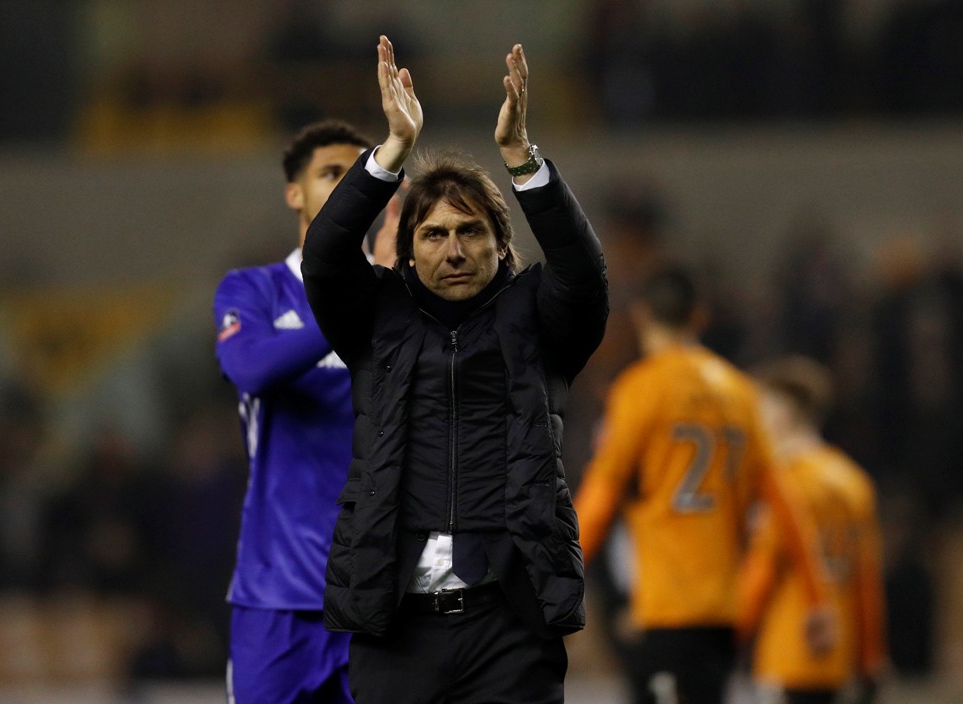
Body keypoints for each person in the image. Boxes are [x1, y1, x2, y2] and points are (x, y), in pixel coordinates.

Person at [300, 36, 608, 704]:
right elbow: (325, 258)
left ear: (502, 243)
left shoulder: (540, 320)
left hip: (510, 624)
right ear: (408, 253)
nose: (454, 249)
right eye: (434, 234)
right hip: (397, 625)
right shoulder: (376, 317)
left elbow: (585, 277)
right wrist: (390, 155)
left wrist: (524, 162)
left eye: (471, 232)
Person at [573, 265, 834, 704]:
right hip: (724, 610)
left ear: (640, 316)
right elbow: (785, 504)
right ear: (699, 316)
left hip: (665, 607)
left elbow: (600, 500)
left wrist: (556, 579)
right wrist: (818, 596)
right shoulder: (740, 392)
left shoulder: (639, 389)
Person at [213, 119, 397, 704]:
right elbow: (251, 370)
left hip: (380, 593)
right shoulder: (254, 290)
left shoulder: (403, 298)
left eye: (358, 175)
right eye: (330, 173)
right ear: (294, 192)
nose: (346, 187)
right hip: (277, 598)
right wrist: (357, 300)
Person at [739, 356, 888, 704]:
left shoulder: (787, 483)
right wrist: (871, 655)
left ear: (784, 412)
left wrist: (729, 634)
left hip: (789, 650)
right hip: (840, 654)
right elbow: (866, 580)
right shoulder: (853, 480)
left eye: (763, 406)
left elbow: (764, 568)